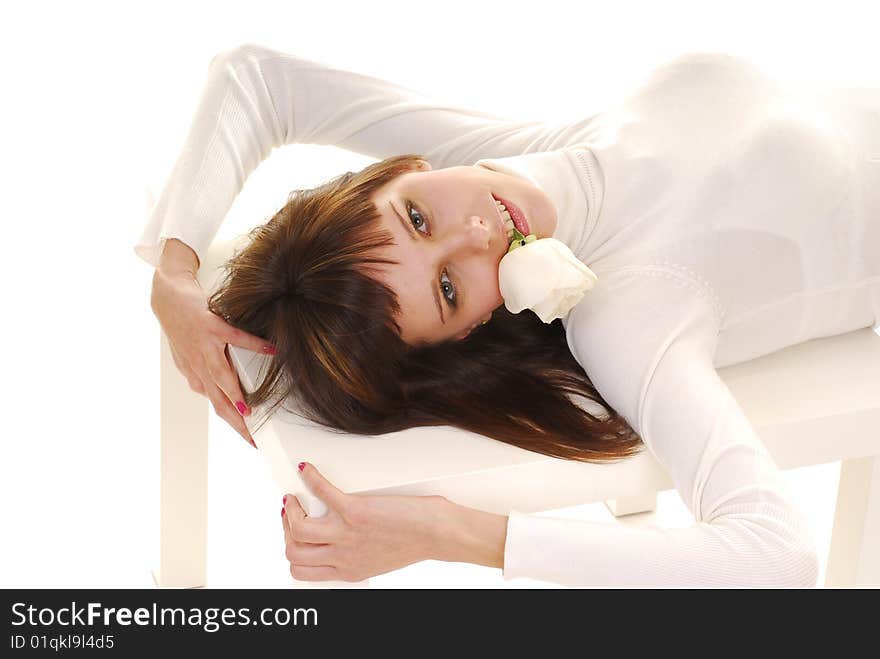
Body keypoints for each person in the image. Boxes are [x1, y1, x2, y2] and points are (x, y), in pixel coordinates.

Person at [138, 43, 879, 587]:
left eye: (418, 219)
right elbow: (781, 555)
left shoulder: (522, 157)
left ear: (403, 170)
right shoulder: (629, 314)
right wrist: (449, 531)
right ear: (468, 329)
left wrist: (174, 270)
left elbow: (256, 77)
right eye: (452, 289)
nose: (478, 233)